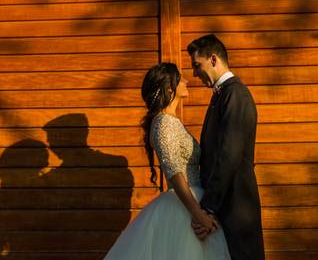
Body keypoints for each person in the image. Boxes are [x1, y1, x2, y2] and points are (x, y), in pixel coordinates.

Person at [103, 62, 231, 260]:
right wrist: (197, 214)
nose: (187, 81)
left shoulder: (171, 121)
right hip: (183, 208)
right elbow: (174, 171)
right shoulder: (164, 123)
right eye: (181, 79)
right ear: (170, 88)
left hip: (194, 200)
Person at [188, 34, 265, 260]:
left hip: (237, 208)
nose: (194, 73)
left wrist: (208, 208)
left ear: (213, 59)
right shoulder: (222, 96)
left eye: (196, 65)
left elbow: (228, 154)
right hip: (225, 206)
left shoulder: (235, 95)